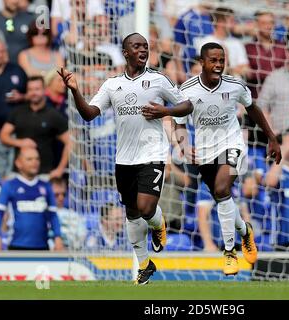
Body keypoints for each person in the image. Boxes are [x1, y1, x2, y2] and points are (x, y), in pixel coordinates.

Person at [58, 32, 193, 285]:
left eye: (146, 46)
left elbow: (187, 106)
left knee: (145, 207)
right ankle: (144, 265)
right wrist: (75, 90)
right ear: (125, 52)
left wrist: (165, 110)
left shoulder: (158, 80)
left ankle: (158, 222)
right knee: (132, 213)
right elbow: (89, 114)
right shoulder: (112, 85)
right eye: (137, 46)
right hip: (124, 159)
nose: (143, 50)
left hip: (152, 153)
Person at [163, 42, 281, 276]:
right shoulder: (187, 90)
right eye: (213, 61)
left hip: (234, 146)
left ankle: (229, 253)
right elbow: (179, 121)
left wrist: (272, 138)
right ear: (202, 63)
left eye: (221, 60)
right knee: (222, 198)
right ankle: (244, 230)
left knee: (221, 187)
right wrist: (184, 145)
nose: (218, 65)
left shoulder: (235, 85)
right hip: (205, 154)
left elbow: (253, 108)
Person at [0, 76, 70, 179]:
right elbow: (3, 136)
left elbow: (70, 142)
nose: (33, 93)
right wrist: (20, 142)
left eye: (37, 89)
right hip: (19, 174)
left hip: (44, 174)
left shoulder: (53, 114)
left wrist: (60, 169)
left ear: (44, 90)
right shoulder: (18, 112)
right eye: (30, 89)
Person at [0, 147, 64, 251]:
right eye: (29, 159)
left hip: (42, 246)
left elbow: (53, 215)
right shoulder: (9, 186)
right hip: (16, 245)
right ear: (18, 163)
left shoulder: (46, 186)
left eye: (37, 159)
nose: (34, 162)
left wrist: (58, 237)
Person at [0, 37, 27, 178]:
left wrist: (21, 97)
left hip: (16, 132)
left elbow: (32, 95)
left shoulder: (17, 70)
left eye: (2, 51)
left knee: (14, 175)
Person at [194, 7, 249, 79]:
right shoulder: (205, 42)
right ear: (220, 22)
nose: (235, 23)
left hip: (235, 85)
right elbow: (200, 68)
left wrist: (227, 69)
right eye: (231, 21)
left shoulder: (237, 43)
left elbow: (245, 69)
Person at [50, 177, 86, 250]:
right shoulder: (43, 215)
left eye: (63, 194)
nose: (61, 198)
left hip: (70, 254)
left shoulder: (74, 215)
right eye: (56, 195)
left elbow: (82, 236)